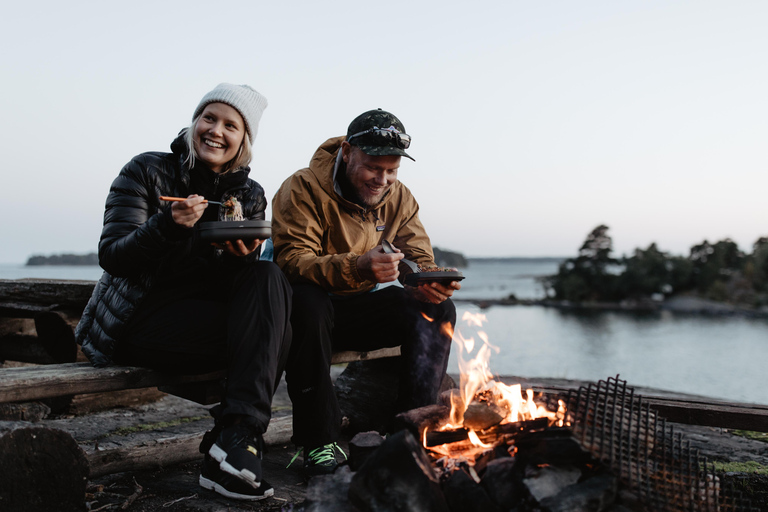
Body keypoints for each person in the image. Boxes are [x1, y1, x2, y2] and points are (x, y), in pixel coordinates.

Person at [75, 83, 292, 501]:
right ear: (195, 122)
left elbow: (239, 286)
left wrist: (240, 258)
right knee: (276, 333)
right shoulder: (147, 170)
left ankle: (235, 436)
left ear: (243, 140)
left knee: (271, 281)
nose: (216, 130)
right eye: (209, 118)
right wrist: (167, 225)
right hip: (137, 322)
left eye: (230, 125)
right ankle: (233, 446)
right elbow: (113, 255)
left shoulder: (249, 195)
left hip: (200, 322)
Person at [271, 108, 460, 477]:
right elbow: (292, 260)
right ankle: (319, 442)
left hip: (359, 311)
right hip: (305, 315)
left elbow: (419, 254)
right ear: (347, 151)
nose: (383, 179)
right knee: (307, 301)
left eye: (392, 170)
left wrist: (427, 280)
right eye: (374, 167)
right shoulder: (302, 187)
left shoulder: (398, 195)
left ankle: (410, 431)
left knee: (438, 311)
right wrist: (358, 265)